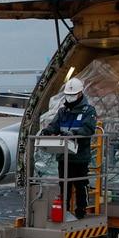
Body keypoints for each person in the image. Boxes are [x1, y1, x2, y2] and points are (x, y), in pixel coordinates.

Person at [46, 77, 97, 218]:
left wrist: (74, 133)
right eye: (68, 95)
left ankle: (81, 210)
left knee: (80, 184)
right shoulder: (63, 111)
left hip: (79, 156)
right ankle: (65, 210)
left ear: (80, 94)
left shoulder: (88, 111)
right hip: (63, 155)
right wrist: (48, 131)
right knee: (64, 185)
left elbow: (88, 129)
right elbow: (54, 125)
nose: (70, 98)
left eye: (72, 95)